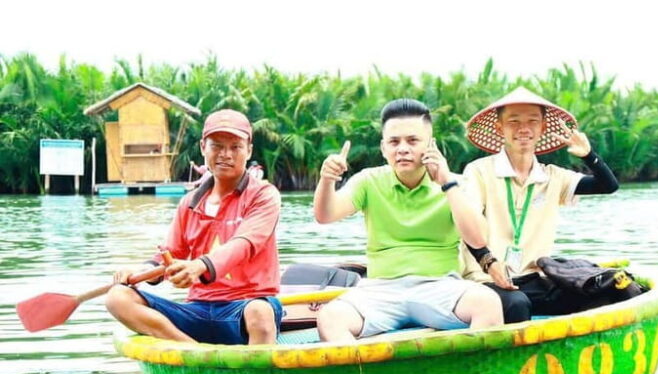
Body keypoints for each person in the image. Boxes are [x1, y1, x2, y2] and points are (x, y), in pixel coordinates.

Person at [312, 98, 503, 342]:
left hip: (440, 286)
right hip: (380, 289)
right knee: (330, 318)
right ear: (383, 148)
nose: (403, 148)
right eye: (394, 142)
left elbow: (477, 238)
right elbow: (325, 216)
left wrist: (446, 183)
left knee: (488, 304)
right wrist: (327, 180)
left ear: (430, 145)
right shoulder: (368, 180)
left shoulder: (455, 183)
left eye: (413, 141)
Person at [106, 109, 283, 345]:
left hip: (244, 305)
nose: (226, 154)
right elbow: (171, 254)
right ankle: (192, 351)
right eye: (217, 146)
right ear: (203, 147)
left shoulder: (263, 195)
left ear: (249, 150)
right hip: (198, 308)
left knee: (260, 313)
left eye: (235, 147)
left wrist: (200, 266)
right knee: (117, 298)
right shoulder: (189, 203)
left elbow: (244, 244)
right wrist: (138, 273)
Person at [460, 87, 619, 323]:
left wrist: (588, 155)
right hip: (487, 279)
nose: (523, 129)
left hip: (534, 278)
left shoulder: (552, 177)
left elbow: (608, 185)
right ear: (499, 128)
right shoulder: (479, 171)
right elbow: (467, 225)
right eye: (513, 121)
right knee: (517, 304)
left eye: (532, 121)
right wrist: (489, 263)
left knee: (609, 292)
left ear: (543, 128)